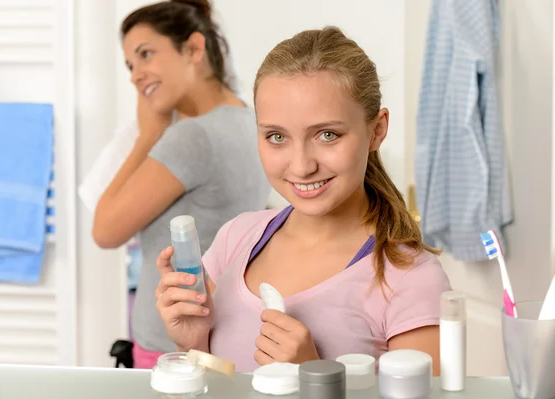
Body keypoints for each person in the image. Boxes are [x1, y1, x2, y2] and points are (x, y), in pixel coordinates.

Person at [154, 26, 452, 374]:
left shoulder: (409, 279)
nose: (301, 166)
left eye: (327, 135)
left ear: (377, 129)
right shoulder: (236, 238)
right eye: (277, 136)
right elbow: (217, 382)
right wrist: (192, 343)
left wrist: (314, 376)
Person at [92, 0, 270, 369]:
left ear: (193, 48)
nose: (135, 75)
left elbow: (105, 231)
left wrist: (149, 134)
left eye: (145, 54)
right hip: (223, 338)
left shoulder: (191, 138)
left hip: (170, 346)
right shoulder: (247, 118)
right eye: (130, 64)